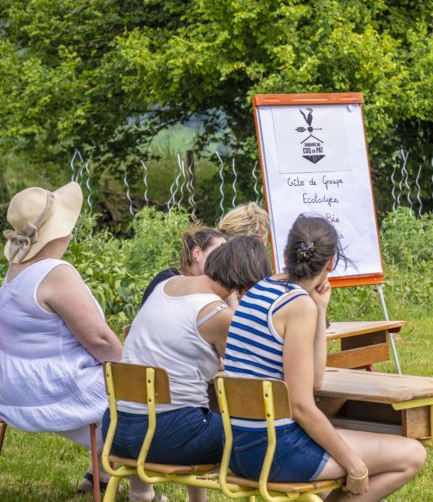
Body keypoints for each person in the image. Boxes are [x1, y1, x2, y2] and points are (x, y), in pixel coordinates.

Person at [223, 215, 425, 501]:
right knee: (412, 454)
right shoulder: (295, 305)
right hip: (276, 452)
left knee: (347, 441)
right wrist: (354, 464)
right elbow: (301, 405)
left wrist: (319, 309)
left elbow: (315, 379)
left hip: (239, 447)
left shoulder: (260, 290)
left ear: (284, 254)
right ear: (330, 263)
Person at [0, 182, 155, 500]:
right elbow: (99, 340)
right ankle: (143, 492)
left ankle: (94, 476)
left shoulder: (14, 270)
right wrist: (134, 370)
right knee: (141, 396)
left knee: (106, 378)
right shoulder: (55, 272)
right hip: (57, 388)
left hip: (14, 386)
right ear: (60, 232)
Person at [104, 235, 270, 502]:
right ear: (246, 281)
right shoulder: (217, 314)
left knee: (203, 411)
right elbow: (246, 378)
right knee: (262, 436)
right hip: (166, 437)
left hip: (117, 428)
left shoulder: (166, 285)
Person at [139, 225, 226, 306]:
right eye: (219, 252)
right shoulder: (169, 280)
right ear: (197, 253)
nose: (225, 260)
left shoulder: (195, 284)